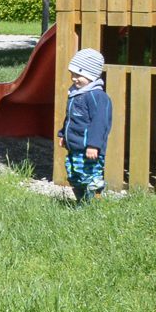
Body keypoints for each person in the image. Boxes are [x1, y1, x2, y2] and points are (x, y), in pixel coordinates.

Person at [60, 47, 112, 204]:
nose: (74, 79)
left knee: (90, 178)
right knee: (75, 175)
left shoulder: (97, 96)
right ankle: (82, 203)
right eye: (72, 74)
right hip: (74, 147)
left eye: (78, 75)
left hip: (89, 150)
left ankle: (94, 204)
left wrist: (93, 145)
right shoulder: (77, 94)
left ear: (91, 75)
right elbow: (71, 118)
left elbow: (100, 123)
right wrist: (63, 134)